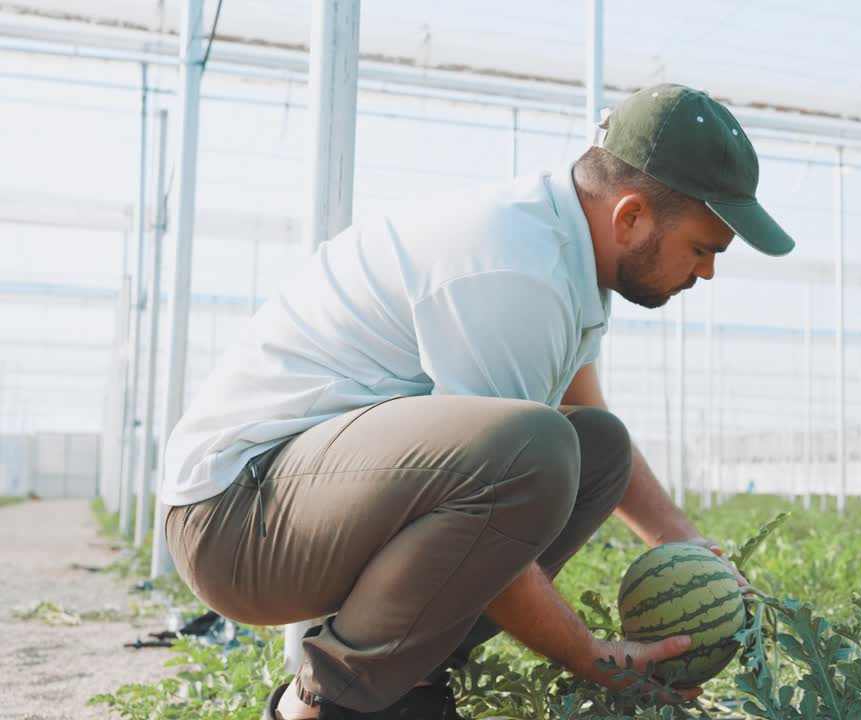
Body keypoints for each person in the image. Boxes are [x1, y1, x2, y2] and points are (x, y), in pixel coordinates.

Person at [160, 83, 796, 720]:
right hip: (236, 522)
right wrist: (598, 659)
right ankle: (327, 705)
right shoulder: (518, 273)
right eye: (703, 248)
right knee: (537, 450)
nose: (707, 272)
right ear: (630, 217)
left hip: (299, 505)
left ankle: (406, 683)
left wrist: (688, 544)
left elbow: (595, 447)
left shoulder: (562, 251)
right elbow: (502, 499)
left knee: (595, 445)